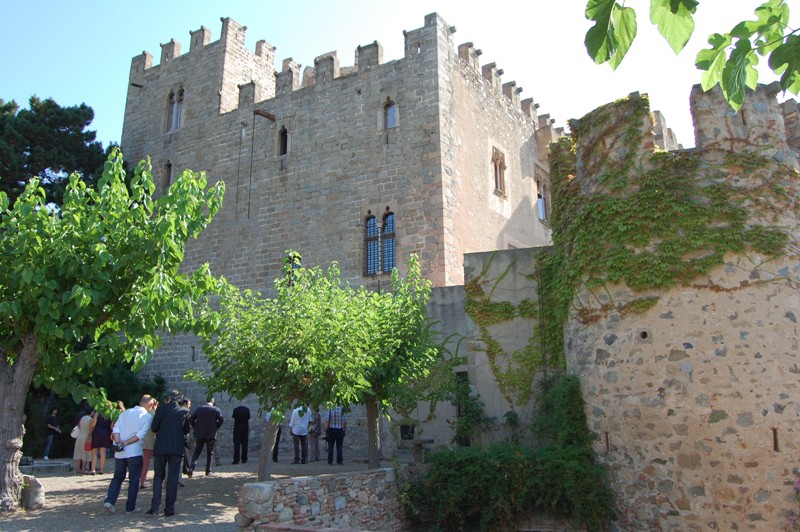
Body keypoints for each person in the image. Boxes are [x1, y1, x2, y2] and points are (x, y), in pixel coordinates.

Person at [102, 395, 154, 514]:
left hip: (120, 452)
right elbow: (140, 434)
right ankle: (130, 507)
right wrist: (126, 442)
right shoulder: (146, 416)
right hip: (134, 451)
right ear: (149, 405)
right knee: (134, 479)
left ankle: (110, 500)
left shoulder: (125, 413)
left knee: (117, 477)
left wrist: (119, 442)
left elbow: (116, 428)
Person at [147, 390, 191, 517]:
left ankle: (155, 507)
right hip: (176, 448)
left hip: (160, 446)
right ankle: (169, 509)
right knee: (172, 478)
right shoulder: (185, 411)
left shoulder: (161, 409)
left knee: (158, 476)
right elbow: (186, 430)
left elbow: (154, 428)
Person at [188, 396, 223, 476]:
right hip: (211, 433)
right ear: (213, 401)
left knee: (197, 452)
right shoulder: (216, 409)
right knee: (210, 452)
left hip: (200, 433)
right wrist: (216, 427)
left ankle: (191, 469)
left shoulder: (199, 409)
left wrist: (195, 427)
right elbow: (221, 419)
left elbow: (192, 418)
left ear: (206, 401)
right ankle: (208, 471)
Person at [140, 398, 158, 489]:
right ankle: (142, 481)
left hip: (138, 440)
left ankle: (138, 479)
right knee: (145, 462)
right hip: (149, 440)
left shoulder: (140, 414)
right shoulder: (153, 414)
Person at [90, 407, 114, 474]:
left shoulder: (97, 413)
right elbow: (111, 426)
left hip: (97, 432)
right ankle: (101, 470)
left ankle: (93, 469)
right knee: (103, 452)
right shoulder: (111, 414)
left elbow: (94, 424)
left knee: (94, 452)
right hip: (106, 432)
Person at [73, 408, 94, 474]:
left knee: (79, 452)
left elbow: (78, 426)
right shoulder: (91, 419)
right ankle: (83, 469)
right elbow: (91, 429)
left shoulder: (82, 418)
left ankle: (78, 468)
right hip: (86, 436)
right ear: (91, 412)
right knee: (85, 452)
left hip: (80, 435)